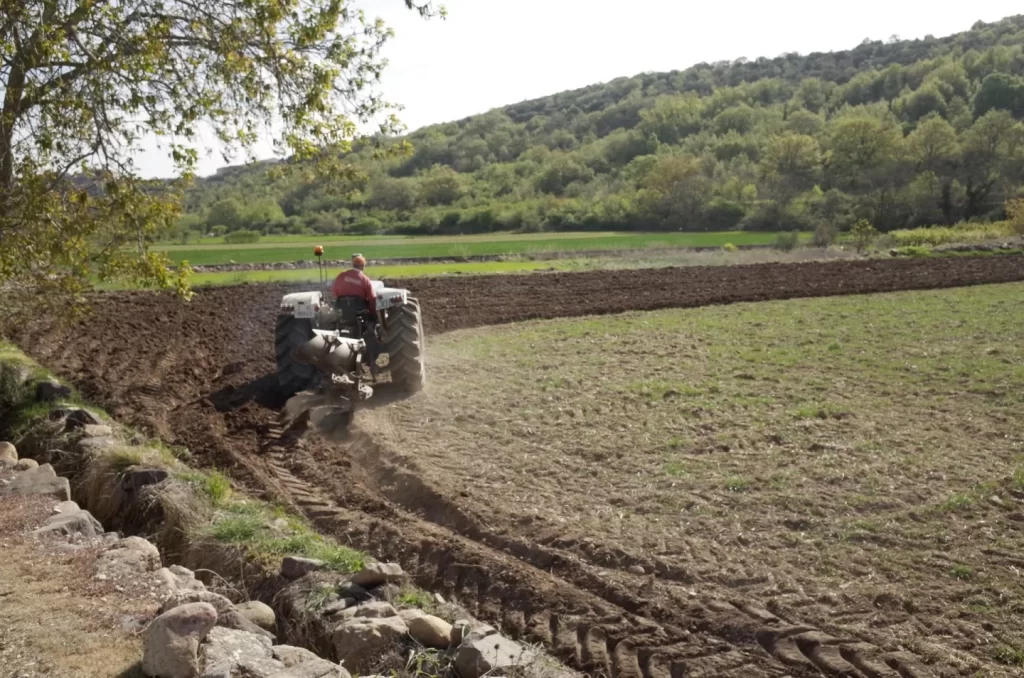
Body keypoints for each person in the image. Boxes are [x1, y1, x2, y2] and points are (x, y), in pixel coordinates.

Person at [331, 254, 380, 375]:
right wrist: (373, 315)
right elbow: (372, 298)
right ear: (363, 266)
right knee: (371, 331)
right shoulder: (365, 279)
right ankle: (370, 360)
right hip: (359, 313)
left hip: (342, 312)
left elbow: (335, 293)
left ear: (352, 264)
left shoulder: (341, 276)